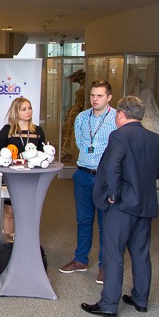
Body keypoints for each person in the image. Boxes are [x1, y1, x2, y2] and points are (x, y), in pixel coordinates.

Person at [81, 96, 159, 317]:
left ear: (120, 114)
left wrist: (113, 194)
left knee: (114, 254)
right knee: (140, 253)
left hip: (122, 206)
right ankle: (140, 299)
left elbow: (112, 168)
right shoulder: (156, 139)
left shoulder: (118, 136)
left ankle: (108, 304)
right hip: (145, 204)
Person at [59, 80, 116, 284]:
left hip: (105, 177)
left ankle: (104, 266)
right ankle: (80, 259)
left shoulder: (116, 118)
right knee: (83, 219)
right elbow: (80, 142)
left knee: (105, 223)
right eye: (92, 95)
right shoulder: (82, 117)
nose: (95, 99)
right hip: (83, 174)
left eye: (100, 95)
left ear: (109, 97)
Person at [0, 96, 45, 239]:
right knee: (9, 213)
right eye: (24, 109)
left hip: (31, 178)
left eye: (30, 108)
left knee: (28, 213)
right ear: (16, 111)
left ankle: (26, 243)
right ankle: (9, 243)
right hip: (11, 178)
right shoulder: (7, 130)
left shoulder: (38, 131)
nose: (28, 111)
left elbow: (42, 154)